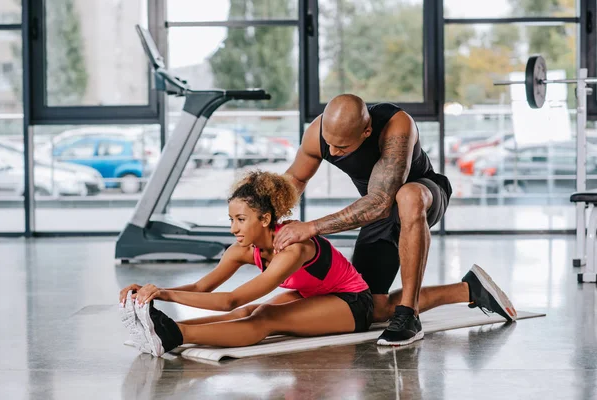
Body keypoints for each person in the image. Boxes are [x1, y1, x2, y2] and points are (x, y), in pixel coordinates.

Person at [271, 94, 517, 346]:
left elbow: (379, 202)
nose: (333, 152)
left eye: (342, 148)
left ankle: (409, 314)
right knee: (372, 309)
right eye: (329, 144)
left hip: (424, 193)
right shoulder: (317, 133)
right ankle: (469, 290)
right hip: (379, 213)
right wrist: (265, 219)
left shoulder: (397, 124)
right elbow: (294, 180)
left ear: (366, 130)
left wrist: (310, 228)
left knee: (407, 196)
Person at [119, 171, 374, 356]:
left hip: (352, 302)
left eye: (241, 219)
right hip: (312, 294)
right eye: (231, 219)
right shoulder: (240, 250)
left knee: (265, 316)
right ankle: (166, 327)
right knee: (245, 313)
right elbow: (201, 287)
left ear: (264, 219)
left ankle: (175, 335)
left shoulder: (292, 249)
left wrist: (166, 294)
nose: (233, 228)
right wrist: (151, 293)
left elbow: (230, 299)